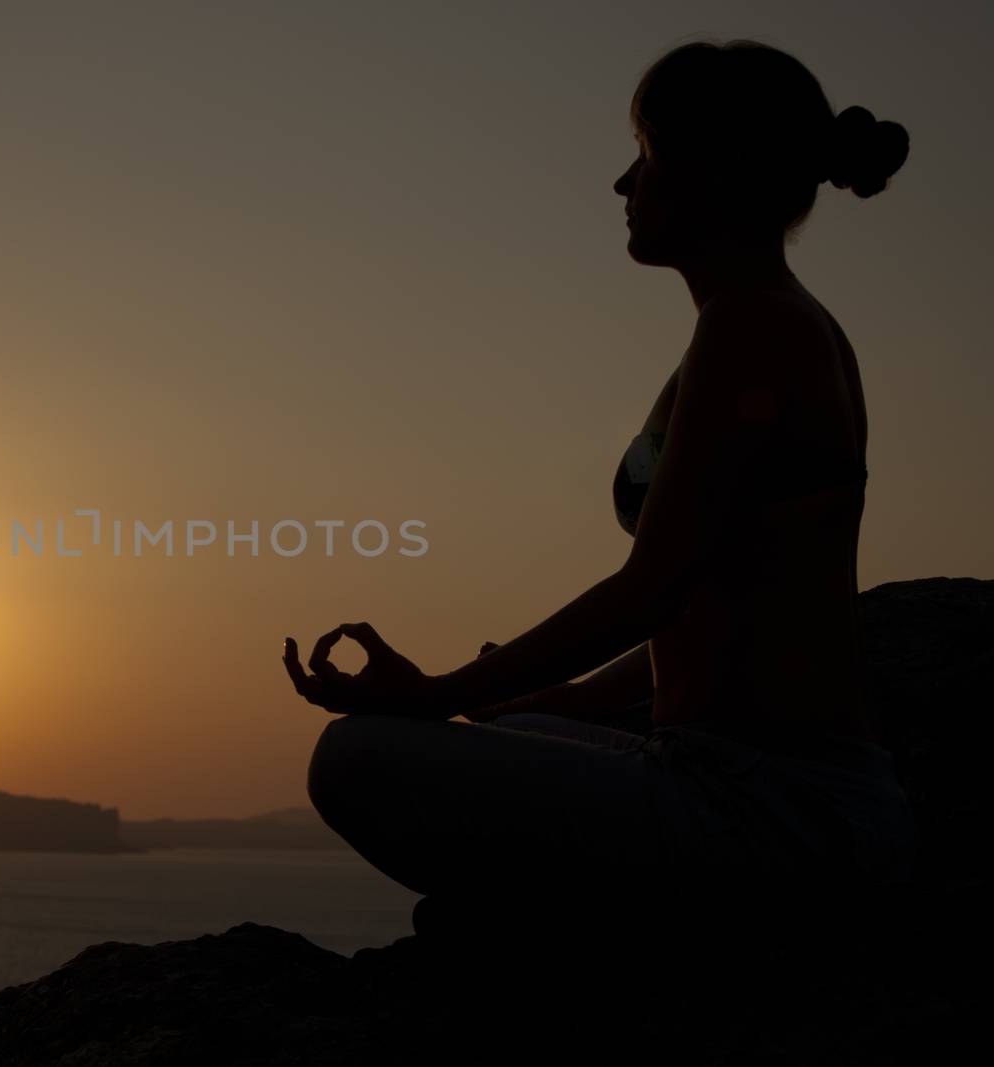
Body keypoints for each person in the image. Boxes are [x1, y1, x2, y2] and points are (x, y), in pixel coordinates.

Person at [284, 40, 917, 922]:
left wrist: (434, 693)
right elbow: (709, 594)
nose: (625, 183)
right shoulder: (745, 328)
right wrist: (562, 696)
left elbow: (652, 589)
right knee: (500, 726)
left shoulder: (759, 330)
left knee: (352, 759)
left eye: (647, 156)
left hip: (775, 807)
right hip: (725, 770)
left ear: (715, 173)